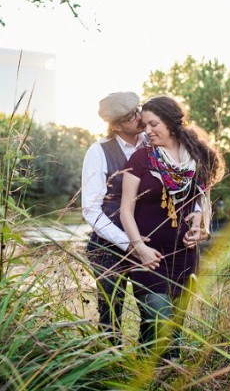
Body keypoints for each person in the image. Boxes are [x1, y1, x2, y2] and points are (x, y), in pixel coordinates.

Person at [119, 95, 224, 359]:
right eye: (144, 125)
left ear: (171, 122)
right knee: (160, 323)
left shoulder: (198, 157)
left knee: (170, 328)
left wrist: (204, 228)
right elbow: (125, 210)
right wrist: (139, 247)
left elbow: (205, 201)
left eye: (153, 123)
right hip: (150, 260)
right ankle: (168, 370)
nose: (147, 130)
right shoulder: (141, 159)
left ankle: (146, 374)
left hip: (184, 258)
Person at [81, 91, 148, 343]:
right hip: (107, 248)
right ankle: (110, 368)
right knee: (110, 316)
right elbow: (91, 210)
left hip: (149, 243)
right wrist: (127, 243)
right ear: (116, 125)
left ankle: (152, 367)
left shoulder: (154, 145)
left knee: (152, 309)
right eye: (131, 116)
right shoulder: (98, 152)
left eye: (138, 109)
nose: (139, 117)